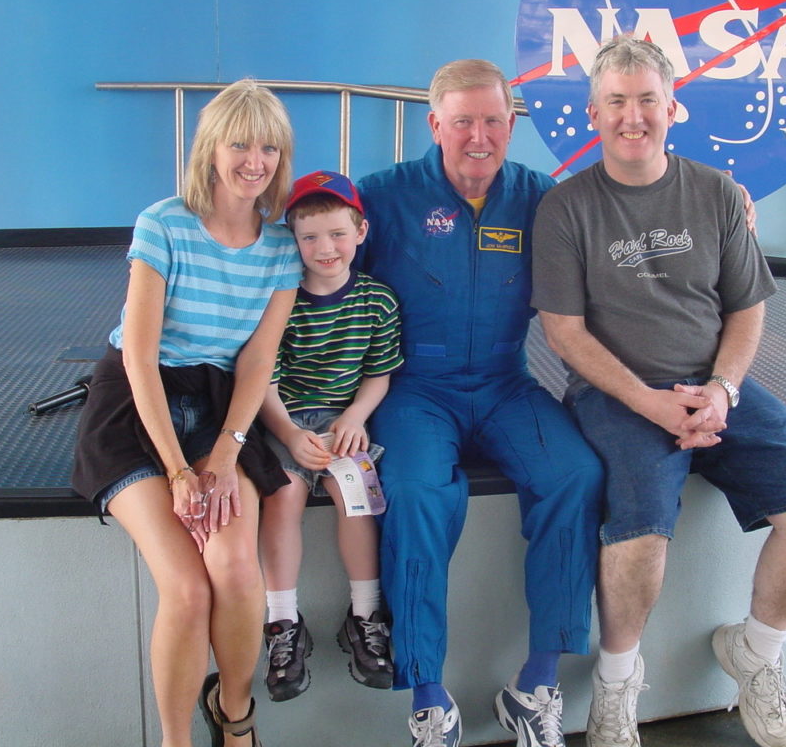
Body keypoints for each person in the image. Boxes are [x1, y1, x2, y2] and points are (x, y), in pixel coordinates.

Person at [531, 37, 786, 747]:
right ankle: (615, 687)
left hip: (715, 386)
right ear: (592, 113)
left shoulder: (714, 193)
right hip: (618, 394)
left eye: (646, 100)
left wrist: (724, 390)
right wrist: (651, 403)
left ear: (673, 107)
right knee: (640, 536)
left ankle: (756, 653)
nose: (631, 116)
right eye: (616, 101)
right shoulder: (566, 208)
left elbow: (746, 308)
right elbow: (566, 335)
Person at [355, 59, 604, 747]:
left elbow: (614, 239)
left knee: (576, 475)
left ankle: (536, 685)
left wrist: (716, 208)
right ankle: (430, 696)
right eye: (462, 120)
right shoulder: (381, 198)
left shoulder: (541, 200)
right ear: (434, 124)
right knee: (414, 490)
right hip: (415, 389)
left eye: (493, 119)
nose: (479, 135)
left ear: (511, 123)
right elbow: (314, 266)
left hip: (504, 381)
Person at [71, 79, 301, 747]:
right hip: (137, 405)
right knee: (188, 587)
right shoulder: (163, 223)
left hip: (221, 404)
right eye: (239, 144)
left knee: (233, 570)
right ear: (210, 150)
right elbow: (140, 358)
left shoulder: (281, 247)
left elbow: (258, 361)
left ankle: (233, 715)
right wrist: (178, 471)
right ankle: (175, 741)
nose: (253, 161)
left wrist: (227, 454)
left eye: (268, 147)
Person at [257, 170, 402, 701]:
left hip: (343, 424)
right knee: (284, 495)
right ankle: (281, 623)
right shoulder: (282, 300)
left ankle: (364, 614)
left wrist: (356, 418)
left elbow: (378, 373)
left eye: (338, 234)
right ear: (293, 238)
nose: (326, 248)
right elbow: (263, 382)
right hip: (285, 419)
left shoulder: (377, 301)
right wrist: (291, 434)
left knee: (358, 496)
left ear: (360, 232)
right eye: (310, 236)